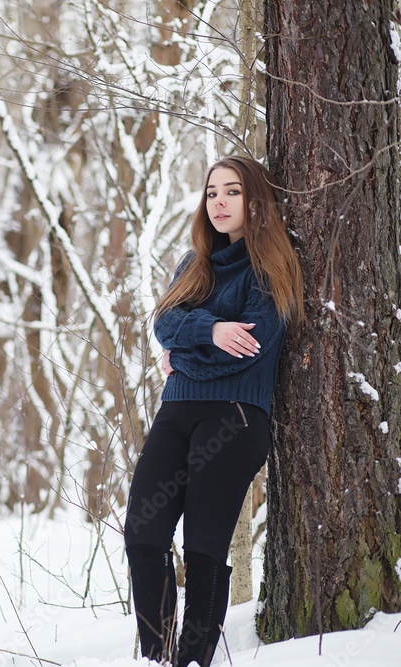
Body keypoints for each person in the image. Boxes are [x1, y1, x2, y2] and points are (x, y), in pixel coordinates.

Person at [123, 156, 303, 666]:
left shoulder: (271, 267)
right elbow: (164, 324)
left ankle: (193, 658)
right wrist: (209, 333)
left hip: (235, 417)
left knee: (203, 544)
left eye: (233, 192)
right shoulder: (194, 264)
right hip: (176, 413)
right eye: (212, 193)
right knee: (144, 529)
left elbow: (252, 347)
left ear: (255, 201)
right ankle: (156, 656)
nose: (219, 202)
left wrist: (181, 356)